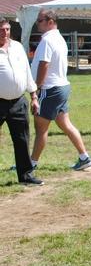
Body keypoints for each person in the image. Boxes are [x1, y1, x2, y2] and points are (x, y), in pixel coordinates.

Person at [30, 9, 91, 171]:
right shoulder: (58, 39)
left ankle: (31, 164)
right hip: (61, 86)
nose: (37, 23)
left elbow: (44, 65)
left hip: (50, 89)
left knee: (41, 129)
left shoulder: (47, 41)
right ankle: (84, 157)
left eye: (40, 20)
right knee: (66, 124)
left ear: (50, 21)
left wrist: (37, 89)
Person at [0, 18, 42, 185]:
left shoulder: (17, 47)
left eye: (7, 29)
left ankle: (26, 176)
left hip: (18, 101)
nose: (5, 33)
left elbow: (27, 71)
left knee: (22, 139)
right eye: (2, 30)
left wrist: (34, 96)